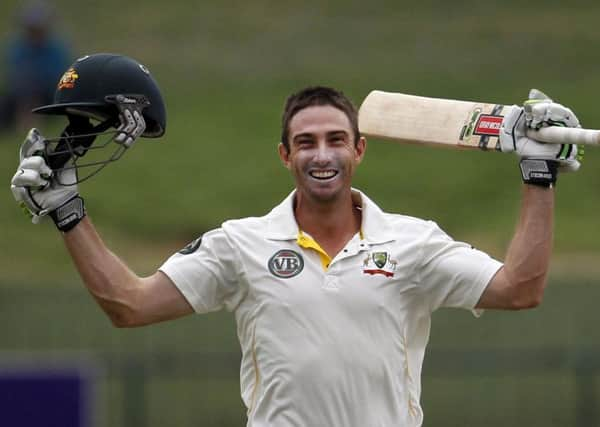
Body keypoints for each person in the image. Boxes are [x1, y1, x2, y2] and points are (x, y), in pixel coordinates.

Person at [10, 53, 583, 427]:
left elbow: (520, 289)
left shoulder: (415, 243)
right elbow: (129, 306)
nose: (322, 154)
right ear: (286, 156)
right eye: (306, 142)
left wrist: (537, 176)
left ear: (359, 150)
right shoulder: (240, 245)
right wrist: (68, 213)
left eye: (337, 139)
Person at [0, 1, 71, 132]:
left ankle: (31, 122)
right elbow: (14, 75)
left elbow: (58, 75)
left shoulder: (56, 48)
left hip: (48, 93)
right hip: (21, 92)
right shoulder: (18, 47)